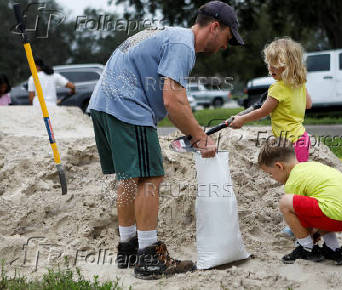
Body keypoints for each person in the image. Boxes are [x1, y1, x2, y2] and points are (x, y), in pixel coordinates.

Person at [87, 1, 244, 280]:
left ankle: (129, 247)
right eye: (227, 39)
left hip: (103, 103)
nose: (224, 47)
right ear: (215, 27)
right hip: (127, 106)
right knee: (151, 177)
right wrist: (200, 136)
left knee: (129, 177)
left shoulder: (169, 34)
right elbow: (173, 100)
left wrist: (193, 132)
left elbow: (171, 99)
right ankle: (148, 256)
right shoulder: (183, 46)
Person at [230, 37, 312, 237]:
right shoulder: (299, 83)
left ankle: (298, 225)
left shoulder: (276, 88)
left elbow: (262, 112)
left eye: (274, 65)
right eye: (268, 64)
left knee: (292, 186)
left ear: (287, 64)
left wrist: (241, 119)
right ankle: (305, 219)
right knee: (299, 183)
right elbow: (308, 104)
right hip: (302, 139)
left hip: (290, 144)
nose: (270, 68)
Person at [257, 140, 342, 265]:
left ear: (279, 166)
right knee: (323, 201)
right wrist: (315, 231)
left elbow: (301, 218)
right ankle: (333, 249)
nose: (272, 178)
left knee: (286, 203)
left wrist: (306, 237)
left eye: (270, 173)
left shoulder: (293, 180)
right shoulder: (313, 166)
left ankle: (306, 249)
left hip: (337, 215)